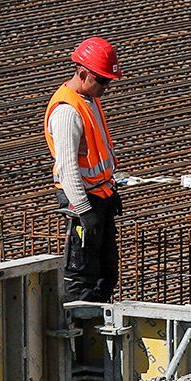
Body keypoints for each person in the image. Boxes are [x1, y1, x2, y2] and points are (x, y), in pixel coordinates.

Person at [45, 37, 124, 302]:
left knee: (106, 272)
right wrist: (84, 210)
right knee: (82, 278)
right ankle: (83, 333)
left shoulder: (88, 99)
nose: (106, 87)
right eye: (102, 80)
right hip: (83, 202)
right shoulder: (67, 111)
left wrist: (110, 192)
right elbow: (68, 169)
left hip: (99, 197)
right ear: (83, 73)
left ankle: (100, 320)